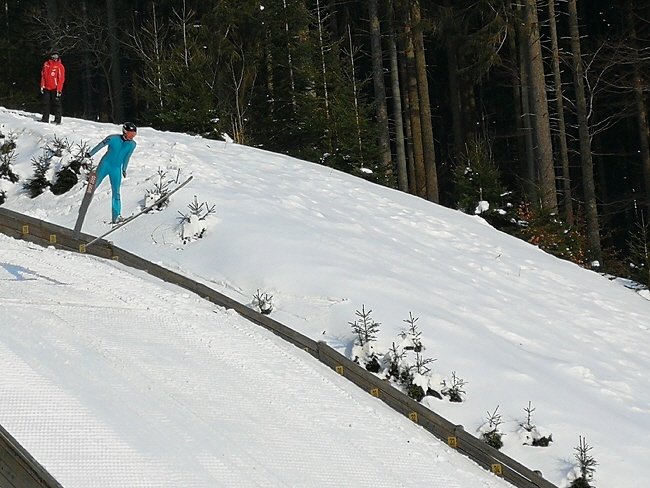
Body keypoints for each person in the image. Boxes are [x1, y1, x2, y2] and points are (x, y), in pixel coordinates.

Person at [87, 122, 138, 223]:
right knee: (93, 185)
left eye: (134, 134)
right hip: (105, 165)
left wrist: (124, 169)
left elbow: (127, 157)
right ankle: (85, 204)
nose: (132, 136)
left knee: (116, 192)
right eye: (130, 134)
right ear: (124, 132)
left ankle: (117, 216)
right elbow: (100, 145)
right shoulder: (113, 138)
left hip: (116, 169)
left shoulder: (132, 144)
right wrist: (90, 154)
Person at [40, 51, 65, 124]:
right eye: (53, 56)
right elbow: (43, 76)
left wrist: (59, 89)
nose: (55, 58)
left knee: (57, 104)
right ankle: (45, 118)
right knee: (45, 103)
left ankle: (57, 120)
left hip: (55, 88)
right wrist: (42, 85)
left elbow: (61, 79)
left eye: (56, 56)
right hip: (47, 88)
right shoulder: (46, 64)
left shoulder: (60, 66)